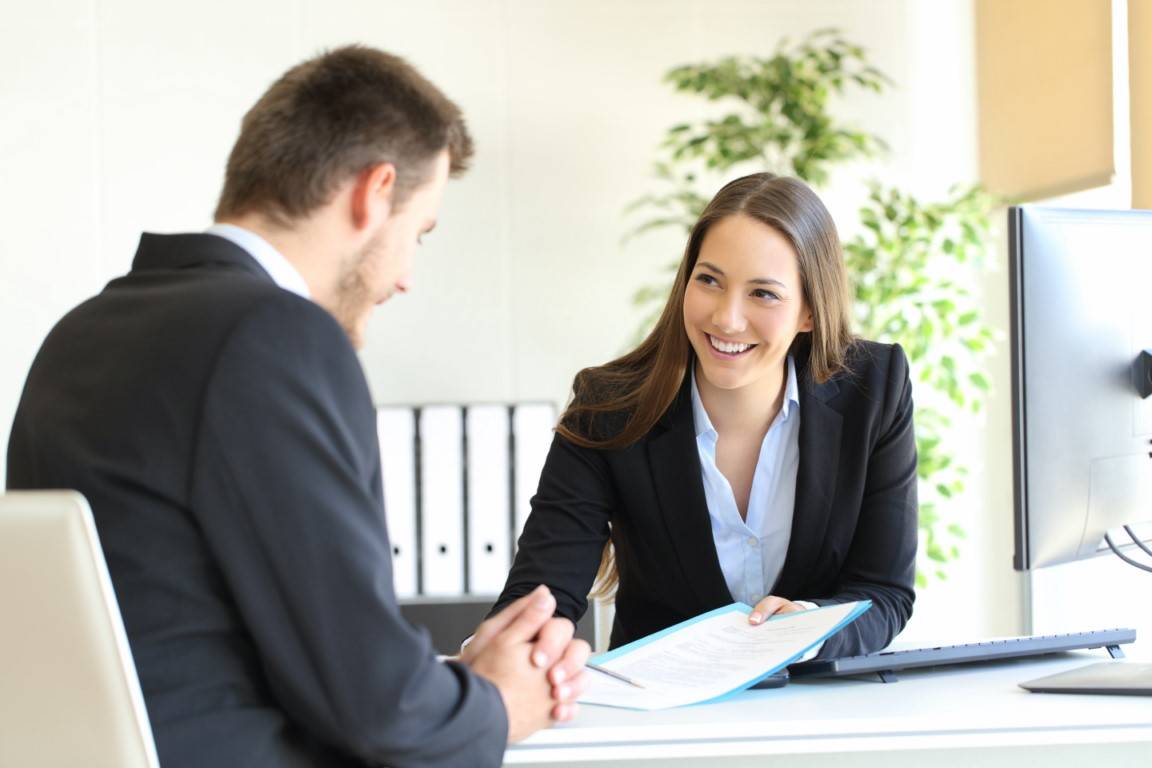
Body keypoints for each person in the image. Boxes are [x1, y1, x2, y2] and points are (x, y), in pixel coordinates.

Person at [6, 46, 588, 768]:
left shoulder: (82, 331)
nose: (406, 277)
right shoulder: (273, 336)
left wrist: (454, 686)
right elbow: (380, 713)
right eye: (419, 233)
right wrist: (501, 704)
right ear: (373, 192)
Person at [489, 173, 918, 659]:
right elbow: (540, 597)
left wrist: (811, 630)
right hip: (661, 714)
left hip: (817, 708)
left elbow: (884, 593)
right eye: (709, 280)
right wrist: (515, 654)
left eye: (764, 294)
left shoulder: (874, 390)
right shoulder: (607, 408)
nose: (726, 318)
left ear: (810, 312)